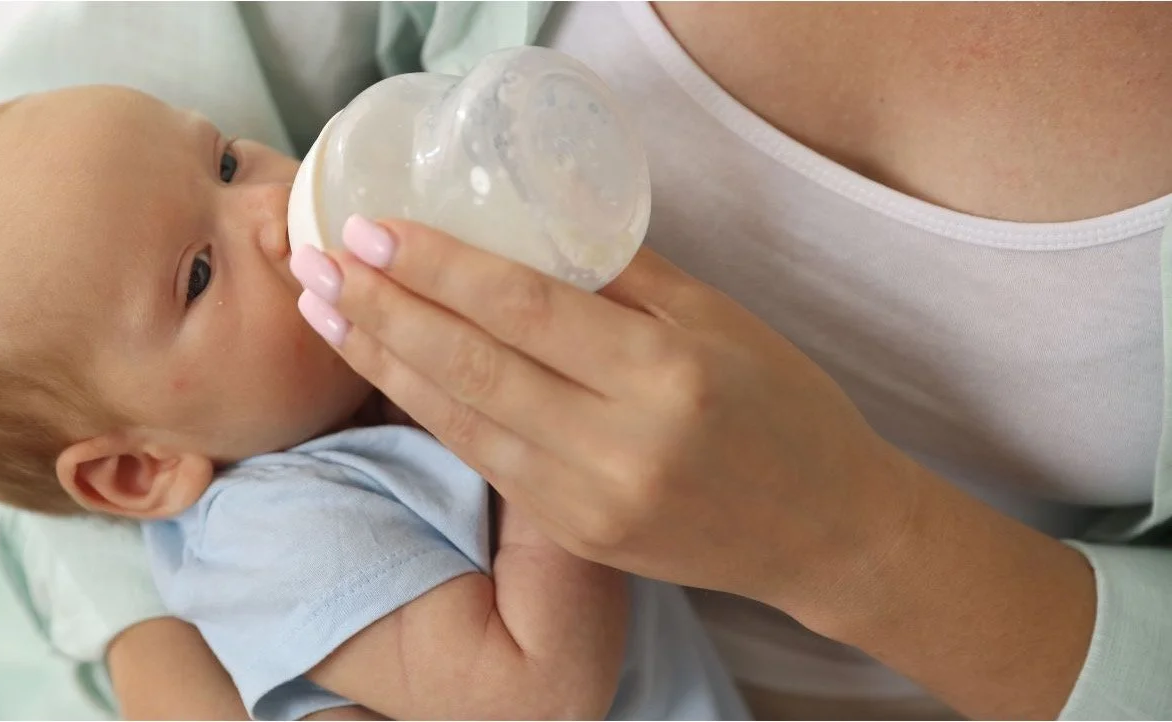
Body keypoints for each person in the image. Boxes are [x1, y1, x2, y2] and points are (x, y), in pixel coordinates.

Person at [285, 2, 1172, 720]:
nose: (263, 221)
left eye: (230, 167)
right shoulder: (264, 520)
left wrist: (857, 538)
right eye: (213, 264)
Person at [0, 86, 746, 720]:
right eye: (198, 274)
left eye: (226, 162)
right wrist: (530, 416)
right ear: (140, 470)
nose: (273, 204)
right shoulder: (272, 533)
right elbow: (537, 696)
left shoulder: (319, 393)